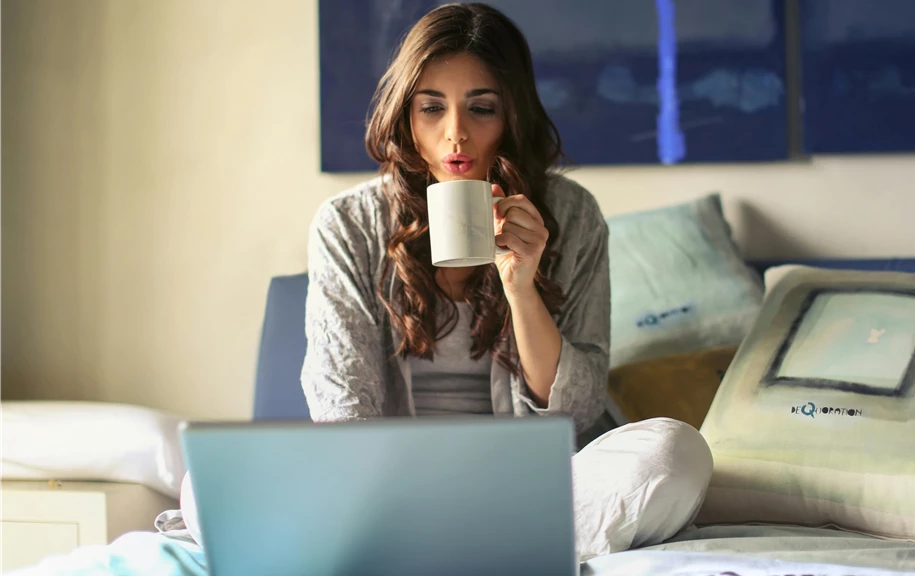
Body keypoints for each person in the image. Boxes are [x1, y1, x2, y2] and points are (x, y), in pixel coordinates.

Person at [183, 2, 712, 562]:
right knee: (205, 490)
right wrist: (387, 491)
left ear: (513, 116)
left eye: (481, 108)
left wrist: (521, 285)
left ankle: (420, 550)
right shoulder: (348, 226)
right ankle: (483, 548)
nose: (455, 133)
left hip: (532, 488)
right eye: (431, 108)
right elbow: (341, 407)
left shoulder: (572, 216)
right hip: (387, 489)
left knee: (676, 454)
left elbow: (576, 411)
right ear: (405, 116)